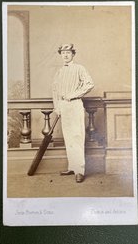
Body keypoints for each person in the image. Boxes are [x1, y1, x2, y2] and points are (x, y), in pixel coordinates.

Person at [52, 44, 94, 183]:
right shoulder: (59, 72)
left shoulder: (79, 68)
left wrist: (73, 94)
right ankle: (72, 167)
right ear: (60, 55)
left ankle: (80, 171)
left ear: (73, 54)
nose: (65, 55)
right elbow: (55, 91)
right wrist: (57, 107)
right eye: (63, 52)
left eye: (68, 52)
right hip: (63, 106)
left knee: (77, 136)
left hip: (75, 104)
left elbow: (89, 84)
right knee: (68, 137)